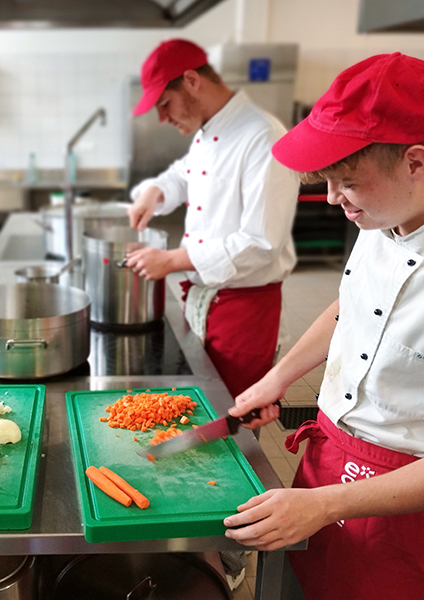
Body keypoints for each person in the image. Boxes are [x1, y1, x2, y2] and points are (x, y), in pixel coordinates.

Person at [224, 53, 424, 600]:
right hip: (327, 458)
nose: (331, 199)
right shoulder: (388, 210)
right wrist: (277, 377)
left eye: (345, 182)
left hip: (401, 497)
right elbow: (350, 305)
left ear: (415, 162)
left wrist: (325, 505)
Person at [125, 38, 299, 401]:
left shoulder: (261, 136)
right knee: (206, 406)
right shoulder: (209, 132)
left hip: (244, 312)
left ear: (191, 80)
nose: (162, 117)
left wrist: (172, 259)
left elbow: (260, 243)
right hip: (206, 300)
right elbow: (182, 174)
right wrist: (154, 191)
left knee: (233, 418)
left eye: (164, 104)